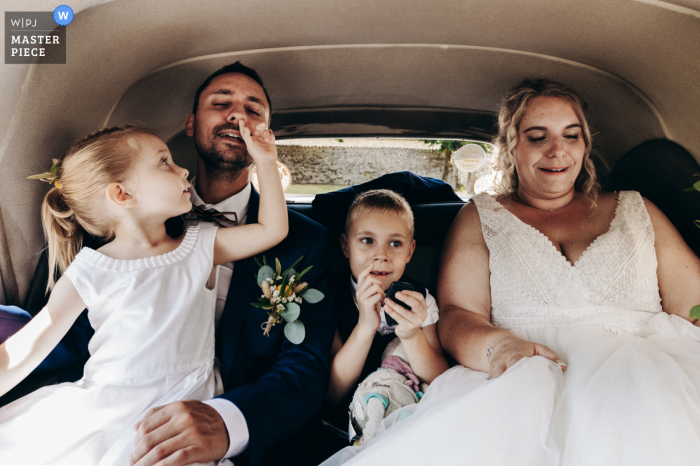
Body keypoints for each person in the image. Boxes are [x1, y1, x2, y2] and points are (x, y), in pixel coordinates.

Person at [321, 78, 700, 466]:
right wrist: (496, 347)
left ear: (585, 144)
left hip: (649, 378)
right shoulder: (480, 216)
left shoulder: (638, 210)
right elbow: (456, 316)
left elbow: (695, 307)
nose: (558, 150)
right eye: (538, 137)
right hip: (521, 377)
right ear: (510, 146)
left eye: (572, 135)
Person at [1, 62, 336, 466]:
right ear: (191, 124)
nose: (237, 115)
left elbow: (304, 364)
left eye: (254, 109)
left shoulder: (307, 241)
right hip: (110, 407)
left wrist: (230, 423)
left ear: (266, 131)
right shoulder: (111, 235)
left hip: (227, 417)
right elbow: (55, 338)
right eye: (222, 102)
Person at [324, 190, 447, 442]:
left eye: (395, 243)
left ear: (410, 251)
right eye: (367, 240)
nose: (382, 255)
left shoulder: (419, 299)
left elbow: (439, 379)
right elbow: (332, 391)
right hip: (347, 421)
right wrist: (366, 326)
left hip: (408, 417)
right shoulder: (331, 298)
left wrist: (412, 335)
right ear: (346, 246)